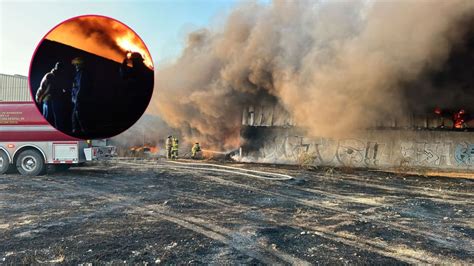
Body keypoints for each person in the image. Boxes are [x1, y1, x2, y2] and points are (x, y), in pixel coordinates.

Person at [35, 62, 69, 130]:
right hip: (46, 97)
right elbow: (49, 89)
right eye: (62, 70)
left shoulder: (52, 74)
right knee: (52, 115)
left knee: (49, 115)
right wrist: (41, 98)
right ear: (60, 69)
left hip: (45, 98)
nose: (62, 72)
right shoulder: (51, 76)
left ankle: (48, 129)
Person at [71, 57, 93, 136]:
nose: (75, 66)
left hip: (79, 98)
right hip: (77, 98)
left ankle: (84, 130)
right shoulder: (79, 73)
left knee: (79, 114)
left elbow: (80, 86)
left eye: (76, 64)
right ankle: (78, 129)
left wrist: (77, 98)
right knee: (76, 113)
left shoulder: (81, 73)